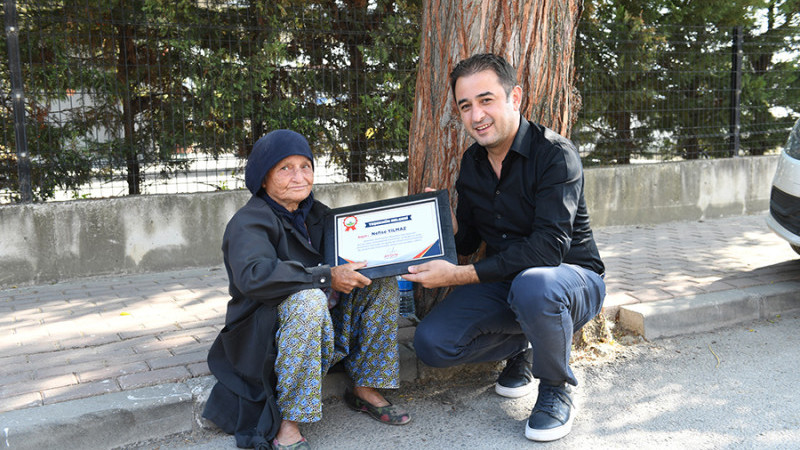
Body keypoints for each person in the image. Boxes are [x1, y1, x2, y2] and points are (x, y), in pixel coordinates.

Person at [404, 53, 605, 442]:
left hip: (570, 281)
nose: (476, 115)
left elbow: (549, 250)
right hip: (507, 284)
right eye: (466, 106)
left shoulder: (555, 154)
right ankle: (527, 343)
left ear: (515, 97)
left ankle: (554, 388)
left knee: (536, 285)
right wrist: (448, 221)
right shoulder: (473, 162)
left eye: (486, 100)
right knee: (432, 343)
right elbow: (467, 243)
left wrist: (459, 276)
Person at [202, 130, 410, 450]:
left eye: (305, 166)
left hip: (315, 325)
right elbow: (254, 277)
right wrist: (326, 277)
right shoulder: (249, 222)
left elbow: (349, 252)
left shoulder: (316, 212)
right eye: (285, 168)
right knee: (309, 300)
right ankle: (288, 420)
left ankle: (365, 387)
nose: (299, 176)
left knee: (377, 282)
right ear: (264, 178)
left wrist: (401, 248)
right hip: (264, 331)